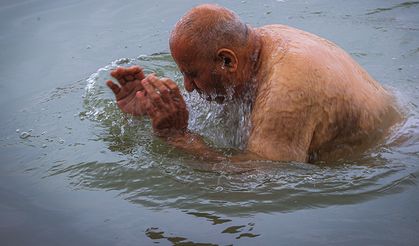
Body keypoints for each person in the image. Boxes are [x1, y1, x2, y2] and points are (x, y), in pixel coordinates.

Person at [106, 4, 401, 163]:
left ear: (226, 62)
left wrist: (176, 136)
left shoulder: (285, 91)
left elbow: (260, 181)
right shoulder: (257, 46)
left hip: (393, 155)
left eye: (192, 75)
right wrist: (152, 108)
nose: (189, 87)